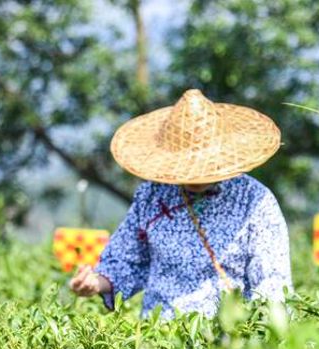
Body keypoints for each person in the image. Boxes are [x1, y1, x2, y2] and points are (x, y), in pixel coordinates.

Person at [69, 89, 292, 318]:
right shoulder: (152, 195)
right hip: (159, 336)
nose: (194, 176)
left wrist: (260, 338)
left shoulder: (254, 200)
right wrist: (96, 282)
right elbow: (126, 259)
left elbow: (271, 282)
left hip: (229, 338)